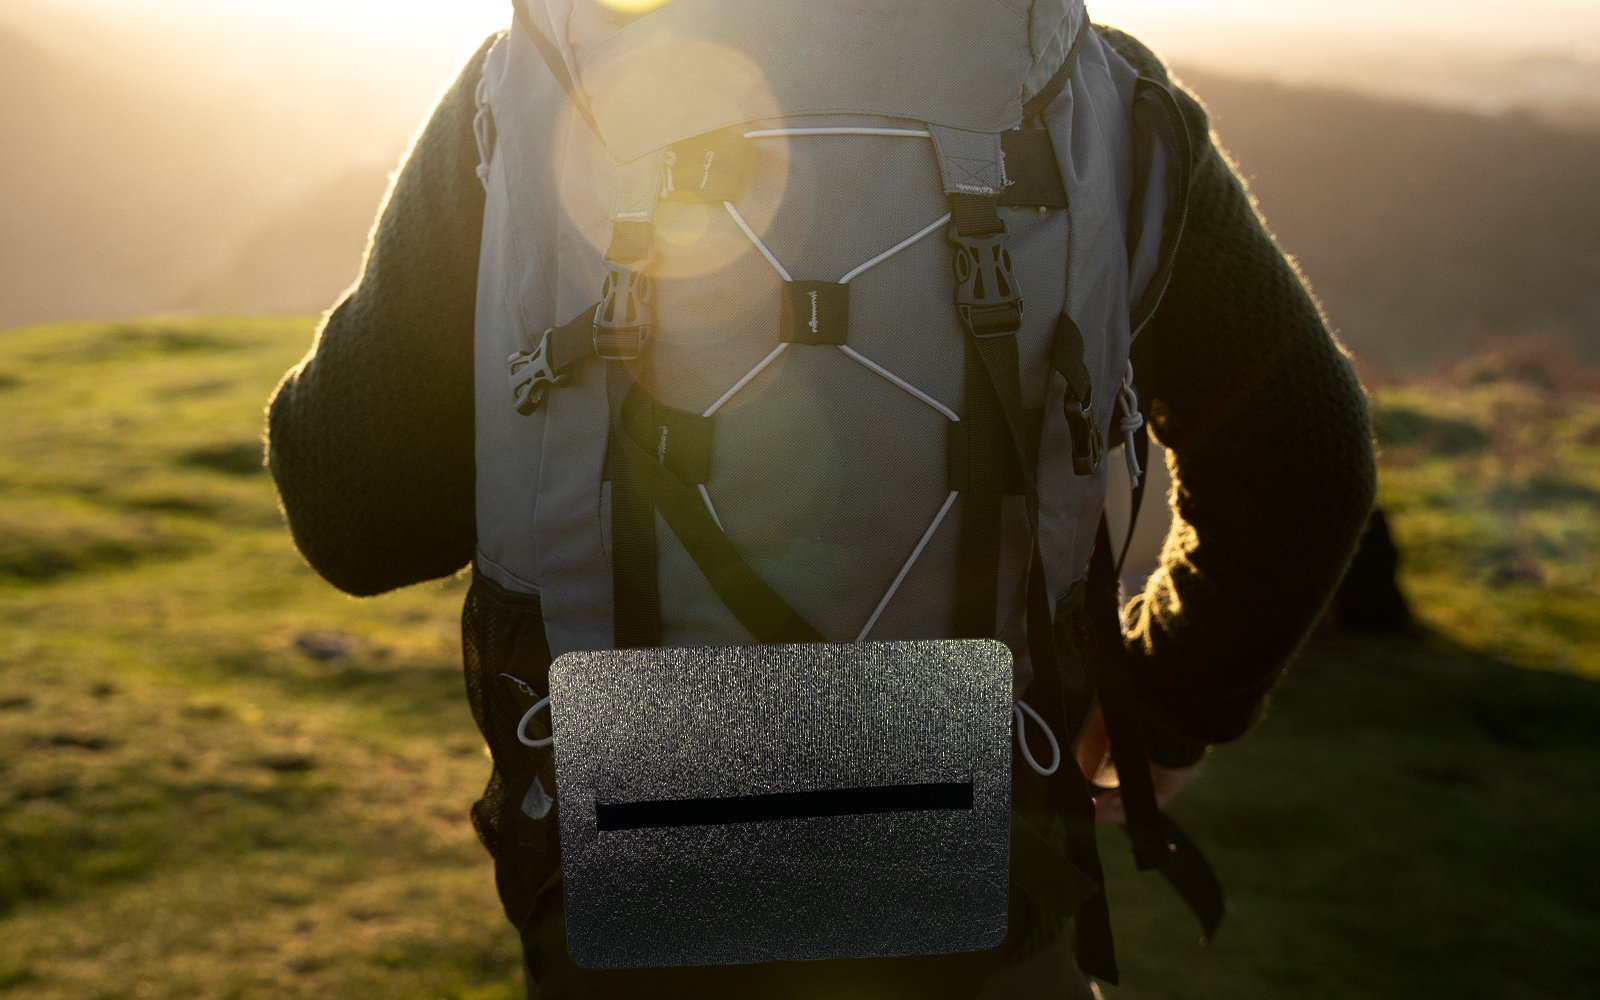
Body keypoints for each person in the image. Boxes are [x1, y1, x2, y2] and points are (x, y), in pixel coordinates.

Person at [266, 4, 1377, 997]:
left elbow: (360, 517)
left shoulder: (528, 88)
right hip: (991, 842)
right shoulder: (1098, 98)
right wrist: (1170, 711)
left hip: (628, 850)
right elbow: (1307, 466)